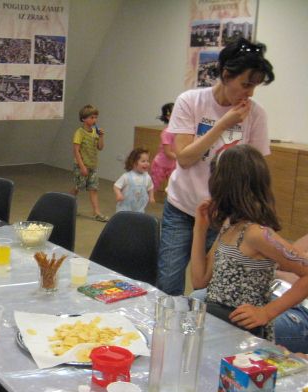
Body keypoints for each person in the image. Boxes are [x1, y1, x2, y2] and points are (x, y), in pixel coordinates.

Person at [157, 37, 274, 295]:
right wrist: (223, 124)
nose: (250, 93)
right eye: (246, 84)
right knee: (168, 282)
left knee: (212, 288)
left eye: (255, 86)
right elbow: (184, 158)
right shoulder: (190, 101)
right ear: (226, 75)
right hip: (181, 208)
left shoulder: (256, 115)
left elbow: (254, 174)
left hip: (224, 216)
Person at [191, 145, 308, 342]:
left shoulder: (257, 234)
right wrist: (199, 229)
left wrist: (267, 312)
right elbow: (199, 280)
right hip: (221, 322)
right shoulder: (230, 226)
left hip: (244, 332)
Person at [71, 104, 107, 222]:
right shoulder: (79, 132)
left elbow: (100, 147)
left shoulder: (95, 132)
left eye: (95, 117)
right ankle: (67, 204)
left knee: (93, 188)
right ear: (83, 119)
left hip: (93, 166)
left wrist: (101, 137)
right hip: (81, 166)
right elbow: (76, 150)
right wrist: (82, 166)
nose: (94, 120)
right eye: (92, 117)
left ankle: (96, 212)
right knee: (77, 187)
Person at [113, 147, 155, 213]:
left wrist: (151, 197)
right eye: (143, 161)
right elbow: (116, 186)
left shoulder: (147, 177)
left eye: (147, 161)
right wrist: (119, 194)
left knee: (137, 219)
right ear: (134, 163)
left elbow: (150, 188)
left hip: (139, 209)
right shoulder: (126, 176)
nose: (146, 163)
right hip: (125, 208)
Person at [148, 103, 176, 191]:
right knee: (153, 187)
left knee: (173, 187)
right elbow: (168, 153)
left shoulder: (180, 132)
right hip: (160, 165)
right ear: (168, 117)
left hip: (172, 165)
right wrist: (182, 157)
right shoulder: (167, 132)